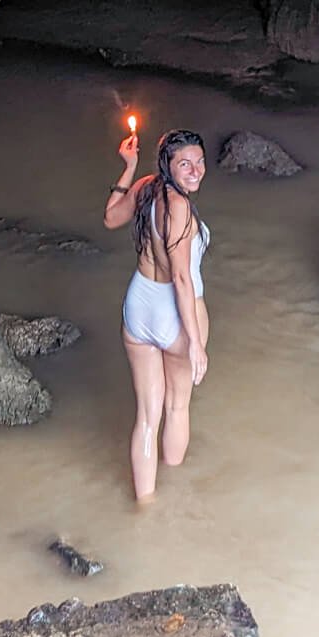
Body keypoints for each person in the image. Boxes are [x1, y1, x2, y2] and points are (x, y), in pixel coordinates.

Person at [104, 127, 210, 501]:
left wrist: (129, 168)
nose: (196, 171)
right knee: (176, 405)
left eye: (199, 162)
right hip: (174, 313)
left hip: (139, 304)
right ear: (168, 164)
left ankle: (145, 505)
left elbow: (111, 218)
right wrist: (195, 343)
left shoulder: (147, 186)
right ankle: (175, 497)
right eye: (185, 164)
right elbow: (181, 277)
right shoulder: (179, 207)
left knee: (147, 418)